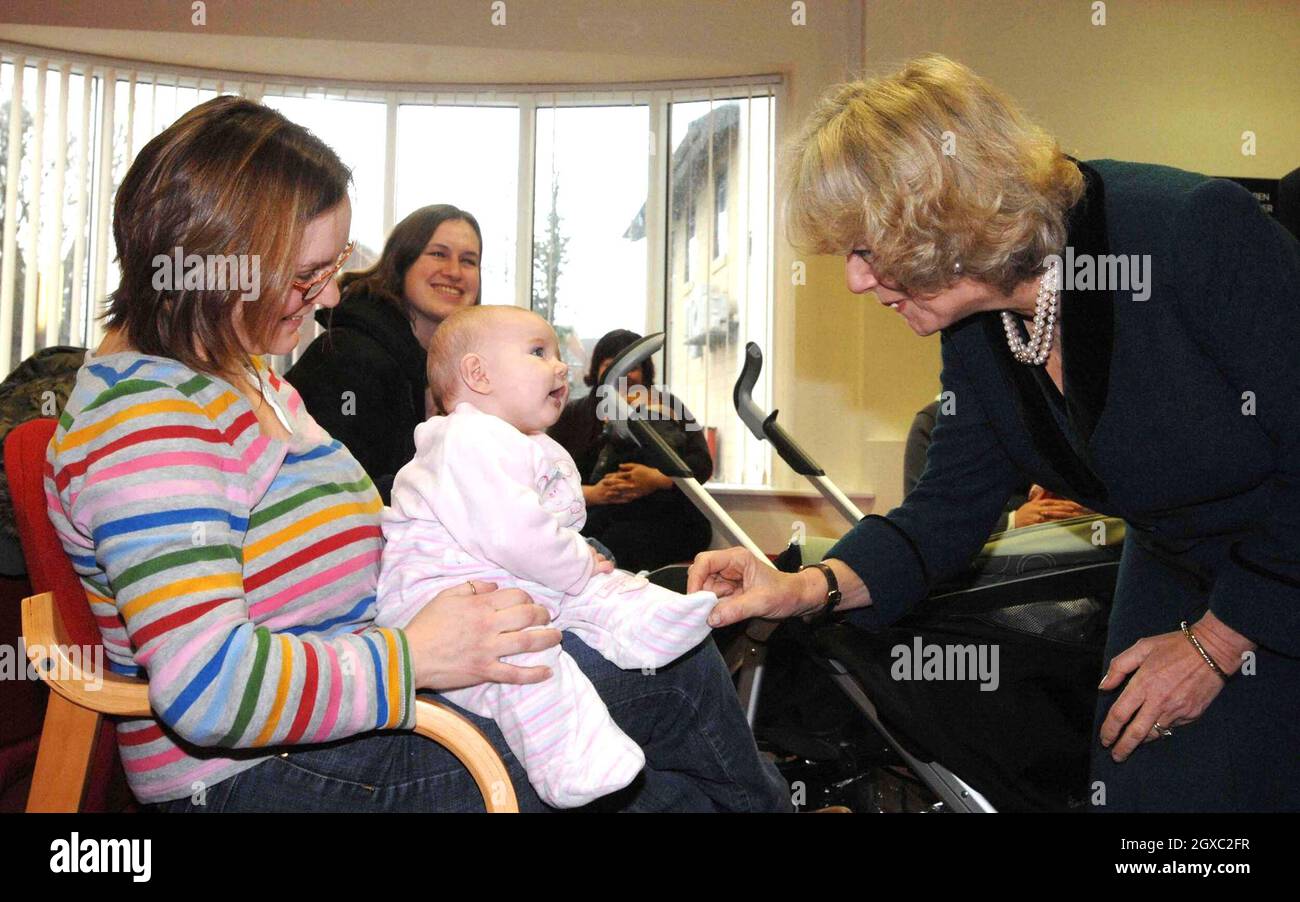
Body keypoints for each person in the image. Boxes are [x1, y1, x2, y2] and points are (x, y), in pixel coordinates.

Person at [46, 96, 789, 812]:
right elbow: (209, 686)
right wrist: (418, 655)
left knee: (661, 721)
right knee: (671, 687)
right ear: (217, 260)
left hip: (341, 720)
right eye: (306, 274)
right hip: (256, 774)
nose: (329, 295)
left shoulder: (247, 381)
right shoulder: (149, 419)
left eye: (330, 269)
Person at [688, 55, 1300, 812]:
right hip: (1174, 567)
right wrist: (805, 588)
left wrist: (1222, 640)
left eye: (863, 248)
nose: (851, 281)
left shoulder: (1190, 232)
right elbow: (950, 504)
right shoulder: (982, 322)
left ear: (942, 211)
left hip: (1279, 557)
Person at [377, 305, 720, 807]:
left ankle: (649, 625)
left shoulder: (523, 440)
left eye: (558, 355)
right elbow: (513, 532)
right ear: (479, 374)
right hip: (443, 598)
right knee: (532, 662)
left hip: (509, 576)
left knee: (601, 586)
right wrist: (578, 563)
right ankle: (572, 762)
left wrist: (583, 567)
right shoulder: (467, 438)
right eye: (538, 353)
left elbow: (543, 528)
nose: (559, 366)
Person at [285, 204, 482, 502]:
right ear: (401, 262)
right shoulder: (347, 357)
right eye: (438, 254)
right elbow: (336, 489)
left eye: (469, 260)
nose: (454, 272)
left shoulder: (445, 373)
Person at [549, 329, 713, 572]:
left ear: (645, 371)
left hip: (665, 517)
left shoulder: (669, 406)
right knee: (593, 540)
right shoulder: (573, 414)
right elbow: (549, 479)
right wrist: (594, 493)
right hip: (595, 514)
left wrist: (656, 479)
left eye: (632, 366)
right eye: (610, 365)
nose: (622, 373)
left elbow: (702, 465)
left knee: (624, 539)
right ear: (597, 370)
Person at [905, 397, 1094, 530]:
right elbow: (924, 518)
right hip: (983, 565)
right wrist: (1011, 522)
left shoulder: (1040, 414)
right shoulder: (932, 422)